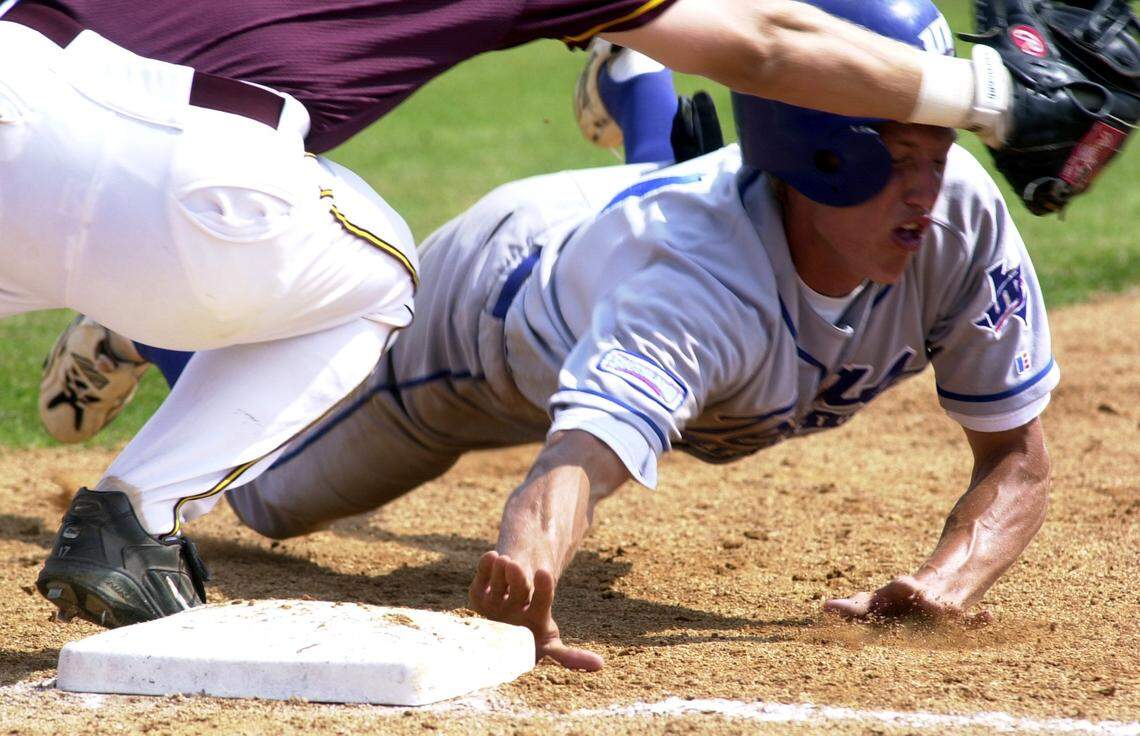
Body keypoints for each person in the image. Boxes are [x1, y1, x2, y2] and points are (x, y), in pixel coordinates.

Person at [58, 0, 1054, 667]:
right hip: (477, 327)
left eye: (941, 149)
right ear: (822, 150)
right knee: (270, 499)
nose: (933, 184)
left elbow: (1018, 459)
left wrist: (943, 581)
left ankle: (640, 103)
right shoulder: (696, 290)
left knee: (665, 239)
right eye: (901, 153)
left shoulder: (958, 222)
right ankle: (148, 328)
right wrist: (530, 559)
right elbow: (573, 462)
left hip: (629, 246)